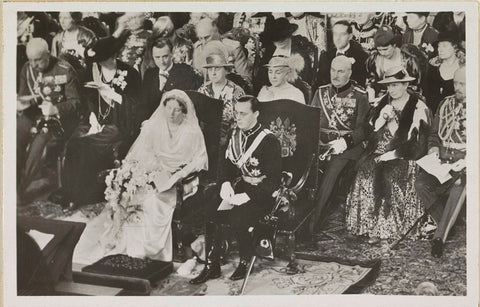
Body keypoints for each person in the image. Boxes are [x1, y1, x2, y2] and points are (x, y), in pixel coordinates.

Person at [72, 90, 208, 264]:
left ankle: (146, 248)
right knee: (132, 194)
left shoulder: (192, 132)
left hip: (181, 179)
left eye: (177, 110)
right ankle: (126, 244)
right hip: (154, 174)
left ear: (184, 111)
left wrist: (178, 175)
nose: (172, 114)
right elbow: (142, 154)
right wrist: (144, 172)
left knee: (153, 200)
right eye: (169, 108)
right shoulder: (154, 126)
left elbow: (199, 160)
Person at [189, 95, 282, 284]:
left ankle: (245, 261)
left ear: (256, 114)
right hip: (239, 186)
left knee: (239, 217)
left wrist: (248, 195)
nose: (237, 117)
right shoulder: (234, 134)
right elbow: (226, 166)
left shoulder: (269, 140)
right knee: (210, 210)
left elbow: (273, 181)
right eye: (236, 113)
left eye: (243, 114)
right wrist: (225, 183)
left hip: (261, 192)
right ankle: (212, 265)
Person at [345, 66, 432, 243]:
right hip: (378, 151)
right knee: (364, 174)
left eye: (395, 85)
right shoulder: (382, 103)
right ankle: (364, 225)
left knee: (388, 176)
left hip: (405, 155)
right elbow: (369, 131)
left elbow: (418, 145)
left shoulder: (418, 107)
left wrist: (393, 154)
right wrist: (381, 120)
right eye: (389, 86)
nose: (391, 90)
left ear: (405, 84)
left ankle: (384, 229)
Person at [58, 36, 141, 208]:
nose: (102, 65)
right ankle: (72, 193)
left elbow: (135, 107)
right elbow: (87, 100)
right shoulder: (92, 70)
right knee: (74, 143)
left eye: (106, 60)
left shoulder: (130, 74)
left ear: (113, 56)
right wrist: (93, 120)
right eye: (99, 62)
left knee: (85, 144)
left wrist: (112, 94)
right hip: (95, 120)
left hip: (119, 124)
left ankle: (87, 195)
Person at [308, 55, 370, 233]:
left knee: (331, 175)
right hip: (320, 144)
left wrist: (345, 142)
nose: (335, 75)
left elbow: (363, 129)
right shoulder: (320, 92)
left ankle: (313, 224)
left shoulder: (360, 95)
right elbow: (311, 121)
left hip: (346, 148)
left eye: (341, 71)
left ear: (349, 73)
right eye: (333, 70)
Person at [17, 38, 81, 199]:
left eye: (37, 60)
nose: (33, 65)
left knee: (38, 146)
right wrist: (21, 103)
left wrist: (55, 109)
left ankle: (20, 189)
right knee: (14, 135)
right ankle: (11, 181)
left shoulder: (65, 70)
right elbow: (24, 95)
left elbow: (76, 103)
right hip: (32, 114)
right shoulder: (27, 68)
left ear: (48, 54)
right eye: (30, 60)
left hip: (55, 118)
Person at [415, 66, 466, 258]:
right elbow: (435, 135)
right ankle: (445, 223)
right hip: (444, 159)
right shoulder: (445, 104)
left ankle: (439, 238)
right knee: (421, 183)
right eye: (455, 83)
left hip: (465, 163)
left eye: (463, 84)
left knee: (459, 185)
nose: (458, 87)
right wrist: (433, 149)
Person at [140, 38, 202, 122]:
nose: (161, 61)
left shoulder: (185, 72)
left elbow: (189, 105)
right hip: (154, 123)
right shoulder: (149, 74)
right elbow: (144, 105)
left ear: (172, 53)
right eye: (157, 57)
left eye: (165, 56)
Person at [198, 41, 245, 146]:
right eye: (210, 69)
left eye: (217, 68)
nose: (213, 73)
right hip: (205, 140)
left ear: (226, 70)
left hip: (228, 141)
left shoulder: (236, 91)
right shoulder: (202, 90)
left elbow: (241, 121)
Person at [256, 17, 315, 93]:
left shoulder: (300, 53)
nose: (279, 42)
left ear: (289, 35)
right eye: (276, 39)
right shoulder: (270, 51)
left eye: (282, 38)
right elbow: (261, 77)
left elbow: (304, 82)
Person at [365, 25, 425, 99]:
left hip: (406, 96)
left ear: (394, 45)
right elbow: (371, 81)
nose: (382, 53)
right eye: (379, 50)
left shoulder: (408, 59)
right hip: (382, 98)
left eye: (385, 49)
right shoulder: (374, 60)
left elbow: (416, 83)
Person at [192, 17, 253, 84]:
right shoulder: (198, 48)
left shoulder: (233, 48)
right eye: (200, 38)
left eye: (207, 37)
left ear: (216, 31)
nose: (204, 42)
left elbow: (246, 80)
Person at [315, 20, 369, 88]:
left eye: (342, 34)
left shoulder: (362, 57)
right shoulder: (325, 57)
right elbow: (319, 84)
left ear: (350, 36)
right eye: (335, 34)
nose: (338, 38)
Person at [424, 31, 464, 112]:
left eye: (444, 46)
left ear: (455, 47)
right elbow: (427, 93)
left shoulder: (464, 68)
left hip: (457, 114)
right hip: (435, 115)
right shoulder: (433, 67)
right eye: (439, 46)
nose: (440, 50)